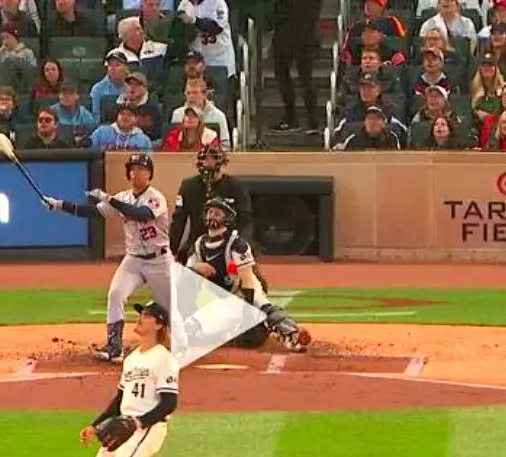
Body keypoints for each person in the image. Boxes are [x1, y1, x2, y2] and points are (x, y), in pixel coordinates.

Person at [42, 153, 173, 363]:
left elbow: (141, 214)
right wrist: (59, 205)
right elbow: (93, 211)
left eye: (142, 169)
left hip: (160, 260)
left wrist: (110, 199)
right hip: (134, 259)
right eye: (133, 169)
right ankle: (114, 347)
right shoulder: (123, 197)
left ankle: (176, 344)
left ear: (150, 174)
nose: (136, 173)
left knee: (169, 308)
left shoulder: (155, 197)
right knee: (116, 294)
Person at [78, 299, 180, 457]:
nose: (140, 318)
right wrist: (96, 424)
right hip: (125, 426)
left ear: (158, 324)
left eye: (146, 315)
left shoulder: (163, 358)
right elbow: (120, 398)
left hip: (148, 428)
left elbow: (169, 403)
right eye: (141, 314)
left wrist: (140, 422)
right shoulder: (132, 358)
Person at [185, 197, 312, 353]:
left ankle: (292, 333)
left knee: (265, 310)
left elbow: (247, 280)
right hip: (220, 297)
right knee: (197, 331)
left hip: (243, 290)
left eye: (217, 213)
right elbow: (187, 269)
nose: (212, 217)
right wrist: (198, 266)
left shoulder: (237, 244)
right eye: (210, 212)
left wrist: (248, 309)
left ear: (227, 218)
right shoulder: (200, 243)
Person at [170, 143, 252, 260]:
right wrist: (172, 250)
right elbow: (178, 221)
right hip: (197, 242)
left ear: (224, 164)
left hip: (229, 243)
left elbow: (246, 220)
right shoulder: (188, 186)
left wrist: (243, 246)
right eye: (206, 159)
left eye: (213, 159)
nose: (209, 163)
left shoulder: (237, 187)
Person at [271, 0, 321, 133]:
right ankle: (290, 117)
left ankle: (312, 119)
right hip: (284, 31)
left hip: (306, 34)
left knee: (306, 77)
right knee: (282, 73)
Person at [177, 0, 236, 76]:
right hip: (197, 65)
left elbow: (216, 27)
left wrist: (194, 21)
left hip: (220, 61)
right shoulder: (184, 5)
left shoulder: (218, 2)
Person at [169, 77, 230, 145]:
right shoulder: (177, 114)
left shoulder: (219, 116)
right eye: (188, 93)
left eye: (195, 93)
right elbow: (172, 143)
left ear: (205, 95)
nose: (191, 96)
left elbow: (225, 145)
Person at [112, 16, 169, 81]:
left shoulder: (160, 49)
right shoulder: (115, 56)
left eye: (141, 28)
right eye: (137, 29)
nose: (142, 31)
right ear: (126, 34)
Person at [87, 102, 153, 151]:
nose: (125, 117)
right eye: (122, 114)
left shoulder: (144, 140)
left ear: (136, 119)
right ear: (117, 116)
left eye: (129, 115)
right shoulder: (101, 132)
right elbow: (88, 152)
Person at [117, 72, 164, 140]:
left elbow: (156, 135)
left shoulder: (152, 108)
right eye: (129, 84)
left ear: (145, 88)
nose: (132, 87)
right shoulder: (118, 105)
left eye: (137, 84)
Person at [471, 52, 506, 121]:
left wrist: (488, 117)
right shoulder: (473, 88)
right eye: (484, 65)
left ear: (496, 68)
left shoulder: (505, 89)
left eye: (490, 65)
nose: (487, 68)